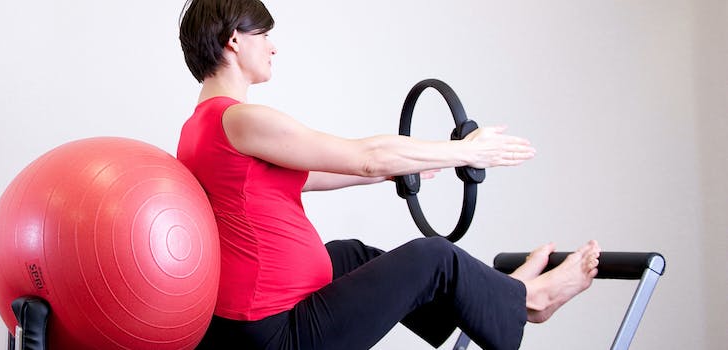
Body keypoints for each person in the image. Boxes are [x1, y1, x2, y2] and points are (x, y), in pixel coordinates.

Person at [176, 1, 601, 349]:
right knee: (432, 256)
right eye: (265, 35)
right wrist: (466, 151)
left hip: (248, 321)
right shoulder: (242, 119)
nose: (273, 47)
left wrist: (397, 173)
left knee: (349, 254)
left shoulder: (200, 127)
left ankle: (492, 297)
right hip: (275, 334)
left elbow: (304, 177)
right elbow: (367, 155)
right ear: (234, 41)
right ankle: (530, 300)